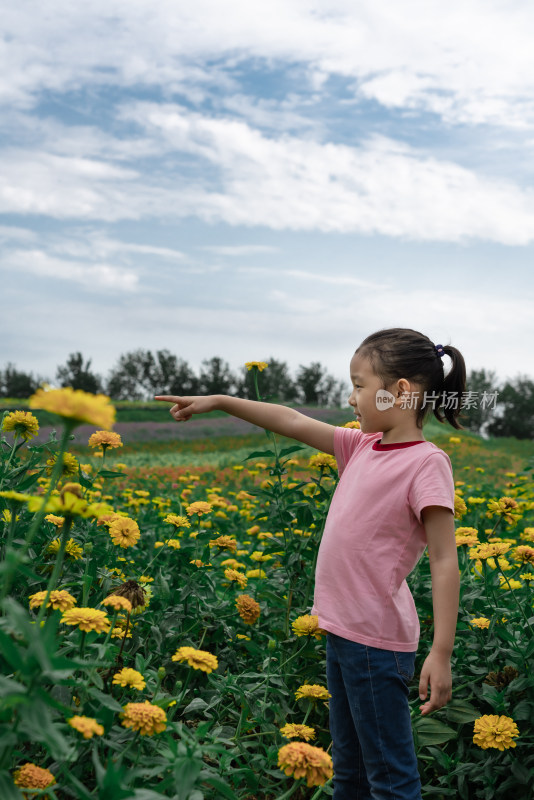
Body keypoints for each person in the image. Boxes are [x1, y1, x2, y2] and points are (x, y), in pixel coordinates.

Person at [155, 327, 466, 800]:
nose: (351, 397)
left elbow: (445, 561)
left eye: (360, 385)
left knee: (390, 779)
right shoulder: (362, 446)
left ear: (400, 392)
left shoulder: (426, 463)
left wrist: (441, 652)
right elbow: (291, 420)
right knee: (350, 773)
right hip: (342, 631)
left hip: (376, 643)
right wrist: (220, 400)